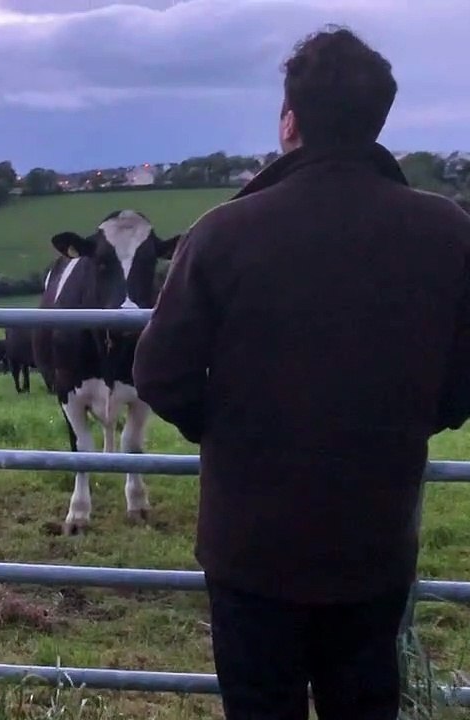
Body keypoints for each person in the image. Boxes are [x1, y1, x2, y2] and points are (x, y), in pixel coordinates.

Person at [131, 25, 470, 720]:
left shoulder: (223, 232)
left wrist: (227, 431)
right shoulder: (449, 232)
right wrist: (406, 421)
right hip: (375, 538)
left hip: (249, 543)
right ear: (379, 120)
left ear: (290, 122)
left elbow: (159, 373)